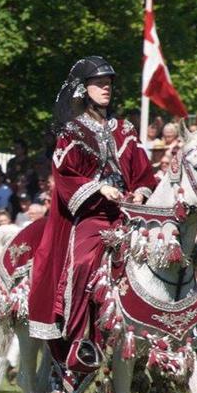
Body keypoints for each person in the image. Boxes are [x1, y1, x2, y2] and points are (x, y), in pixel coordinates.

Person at [26, 56, 156, 376]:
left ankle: (160, 334)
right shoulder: (71, 132)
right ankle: (79, 341)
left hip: (128, 215)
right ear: (84, 90)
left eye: (109, 83)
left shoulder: (124, 129)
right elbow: (65, 175)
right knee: (83, 263)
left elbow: (143, 172)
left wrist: (141, 190)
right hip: (91, 217)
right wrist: (98, 188)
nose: (106, 88)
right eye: (99, 83)